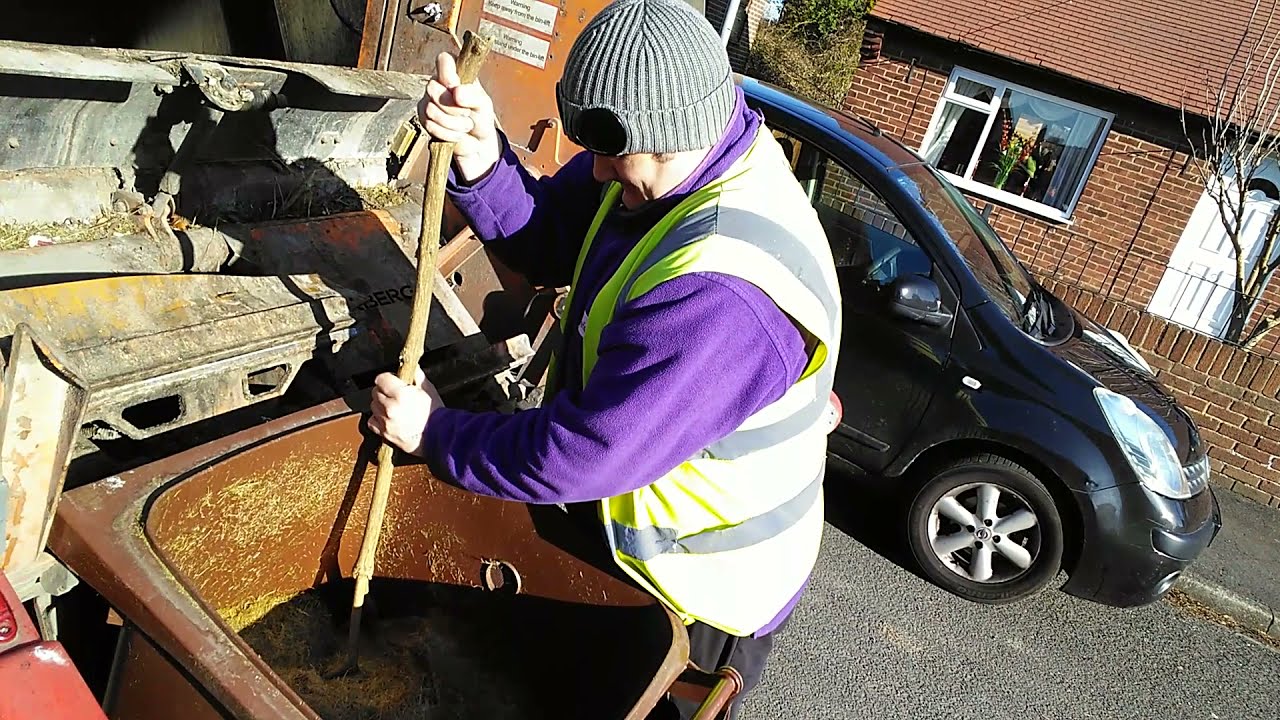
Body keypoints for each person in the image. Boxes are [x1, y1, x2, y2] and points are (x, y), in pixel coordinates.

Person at [368, 0, 842, 716]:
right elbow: (549, 237)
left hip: (689, 600)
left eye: (610, 156)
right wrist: (479, 153)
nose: (593, 172)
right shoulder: (668, 162)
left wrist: (435, 435)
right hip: (624, 518)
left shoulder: (722, 294)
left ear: (675, 129)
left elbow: (584, 452)